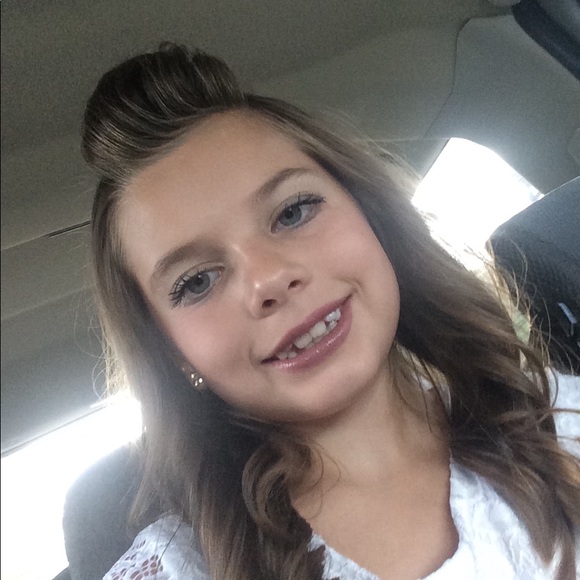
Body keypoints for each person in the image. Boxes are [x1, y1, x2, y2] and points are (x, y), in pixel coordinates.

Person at [80, 43, 579, 580]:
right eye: (197, 281)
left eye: (294, 212)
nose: (269, 279)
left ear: (373, 216)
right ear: (171, 351)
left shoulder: (561, 417)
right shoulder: (182, 568)